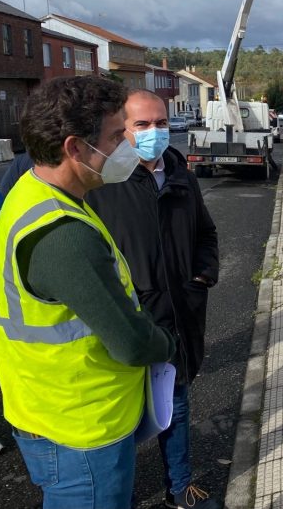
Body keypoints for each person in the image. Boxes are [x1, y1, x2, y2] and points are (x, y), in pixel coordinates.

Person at [0, 76, 175, 509]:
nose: (128, 145)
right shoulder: (64, 237)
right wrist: (166, 343)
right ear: (76, 148)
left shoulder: (31, 193)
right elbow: (132, 343)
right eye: (117, 136)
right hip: (82, 425)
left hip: (45, 407)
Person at [86, 88, 219, 509]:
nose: (154, 132)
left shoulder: (182, 176)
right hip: (130, 320)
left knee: (175, 405)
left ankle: (179, 489)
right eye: (142, 125)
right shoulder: (102, 186)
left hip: (180, 313)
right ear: (121, 131)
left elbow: (207, 234)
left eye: (161, 123)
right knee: (123, 419)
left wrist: (202, 276)